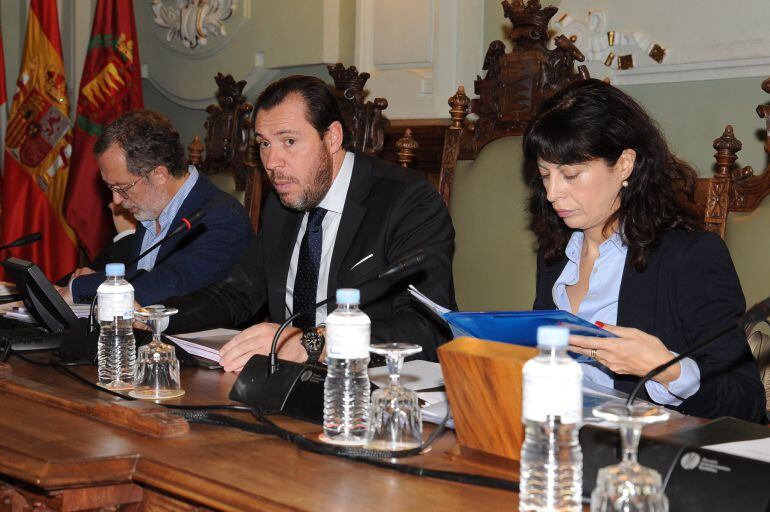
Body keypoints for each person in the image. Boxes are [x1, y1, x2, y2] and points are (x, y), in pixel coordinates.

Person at [163, 75, 456, 370]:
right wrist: (156, 316)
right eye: (264, 144)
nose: (272, 162)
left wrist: (310, 344)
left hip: (365, 386)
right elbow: (238, 293)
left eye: (289, 141)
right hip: (286, 383)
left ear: (332, 138)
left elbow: (428, 329)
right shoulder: (283, 203)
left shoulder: (407, 201)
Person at [523, 79, 766, 422]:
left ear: (624, 165)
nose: (552, 193)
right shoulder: (557, 254)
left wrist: (668, 370)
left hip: (646, 451)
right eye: (545, 175)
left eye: (571, 175)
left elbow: (747, 402)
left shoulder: (689, 257)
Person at [60, 110, 255, 306]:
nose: (117, 200)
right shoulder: (153, 205)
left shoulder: (221, 217)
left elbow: (168, 284)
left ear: (159, 175)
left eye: (122, 188)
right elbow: (138, 274)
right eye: (111, 188)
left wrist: (79, 288)